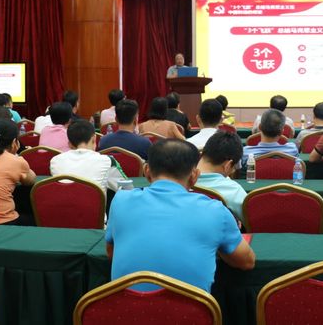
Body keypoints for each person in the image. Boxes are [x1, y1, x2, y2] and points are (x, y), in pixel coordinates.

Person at [106, 139, 255, 291]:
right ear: (195, 175)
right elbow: (246, 262)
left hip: (123, 306)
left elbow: (111, 253)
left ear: (147, 171)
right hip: (192, 306)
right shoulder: (216, 210)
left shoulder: (120, 201)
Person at [50, 120, 124, 193]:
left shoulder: (55, 161)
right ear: (94, 139)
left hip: (62, 200)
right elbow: (125, 188)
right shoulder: (108, 161)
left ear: (70, 144)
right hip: (94, 201)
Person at [196, 131, 247, 220]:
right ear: (228, 165)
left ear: (202, 153)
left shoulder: (180, 181)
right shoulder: (233, 190)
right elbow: (249, 220)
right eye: (234, 167)